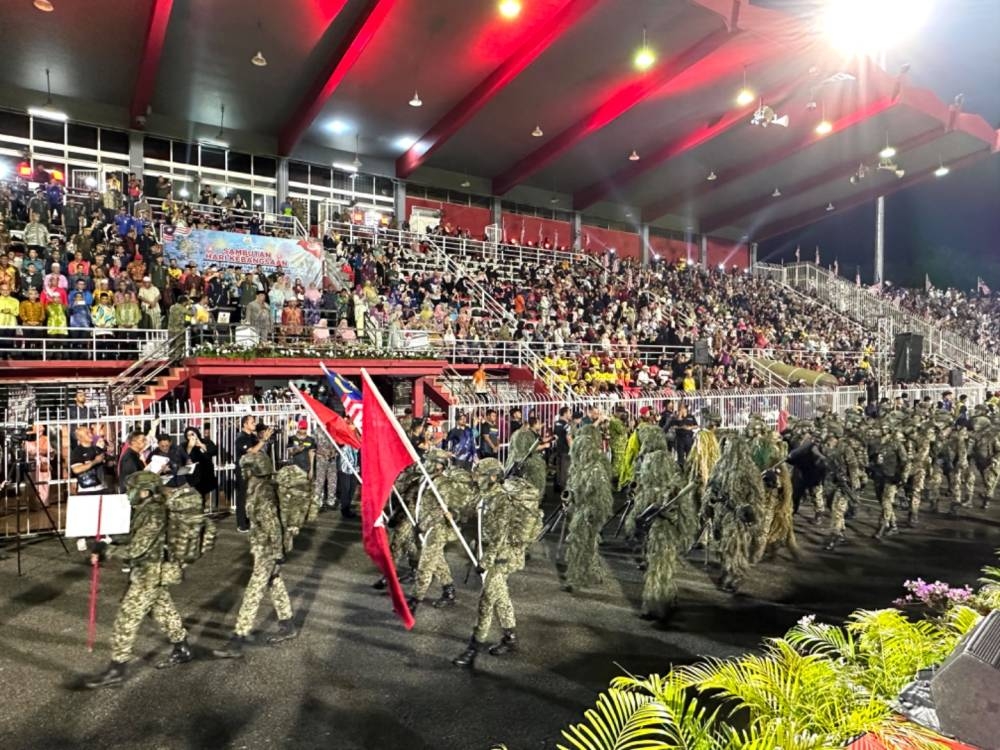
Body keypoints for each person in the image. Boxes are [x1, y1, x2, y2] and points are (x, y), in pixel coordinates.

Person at [83, 472, 194, 688]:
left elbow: (137, 548)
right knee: (163, 610)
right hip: (154, 570)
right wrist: (111, 538)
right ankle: (182, 647)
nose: (128, 493)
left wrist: (107, 550)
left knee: (126, 618)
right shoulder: (147, 509)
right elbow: (136, 536)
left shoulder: (153, 513)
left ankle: (117, 668)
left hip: (149, 573)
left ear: (145, 491)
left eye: (132, 489)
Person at [452, 459, 542, 668]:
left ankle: (473, 649)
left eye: (480, 475)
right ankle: (510, 637)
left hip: (503, 555)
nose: (476, 479)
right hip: (492, 553)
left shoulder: (501, 500)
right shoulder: (486, 496)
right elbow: (475, 518)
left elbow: (500, 535)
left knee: (486, 601)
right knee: (500, 596)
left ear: (493, 477)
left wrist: (486, 560)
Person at [212, 453, 298, 658]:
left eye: (247, 469)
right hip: (262, 546)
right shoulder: (257, 488)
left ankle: (238, 638)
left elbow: (273, 526)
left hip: (268, 548)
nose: (244, 472)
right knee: (275, 582)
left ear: (254, 470)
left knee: (253, 591)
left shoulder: (264, 492)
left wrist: (278, 553)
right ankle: (288, 624)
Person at [234, 415, 268, 532]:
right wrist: (263, 440)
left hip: (253, 471)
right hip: (243, 471)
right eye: (252, 422)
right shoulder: (241, 437)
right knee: (242, 497)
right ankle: (242, 524)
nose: (254, 424)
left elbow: (259, 448)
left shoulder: (252, 436)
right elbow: (252, 451)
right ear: (245, 424)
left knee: (253, 496)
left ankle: (252, 520)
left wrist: (263, 438)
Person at [184, 426, 219, 509]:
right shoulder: (185, 445)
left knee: (204, 494)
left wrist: (201, 445)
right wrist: (190, 447)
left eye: (193, 434)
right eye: (188, 435)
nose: (191, 437)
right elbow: (183, 456)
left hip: (206, 473)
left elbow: (214, 451)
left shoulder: (206, 441)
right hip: (193, 475)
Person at [70, 425, 107, 494]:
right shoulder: (77, 452)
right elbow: (76, 469)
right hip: (86, 490)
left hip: (101, 488)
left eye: (90, 432)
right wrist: (95, 461)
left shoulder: (97, 449)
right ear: (80, 438)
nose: (90, 435)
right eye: (87, 433)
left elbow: (107, 465)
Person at [552, 406, 573, 494]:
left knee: (559, 469)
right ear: (565, 413)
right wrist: (572, 449)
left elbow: (555, 436)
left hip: (559, 449)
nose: (570, 414)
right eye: (569, 412)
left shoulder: (556, 424)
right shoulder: (566, 425)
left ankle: (558, 485)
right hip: (566, 450)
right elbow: (569, 438)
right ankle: (565, 490)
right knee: (565, 470)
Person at [669, 403, 697, 467]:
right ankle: (681, 467)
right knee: (680, 455)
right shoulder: (676, 417)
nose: (680, 410)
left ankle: (688, 468)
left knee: (689, 455)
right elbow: (673, 426)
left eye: (682, 408)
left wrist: (690, 427)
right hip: (680, 438)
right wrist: (681, 426)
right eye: (680, 409)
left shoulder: (691, 417)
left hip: (688, 438)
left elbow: (696, 425)